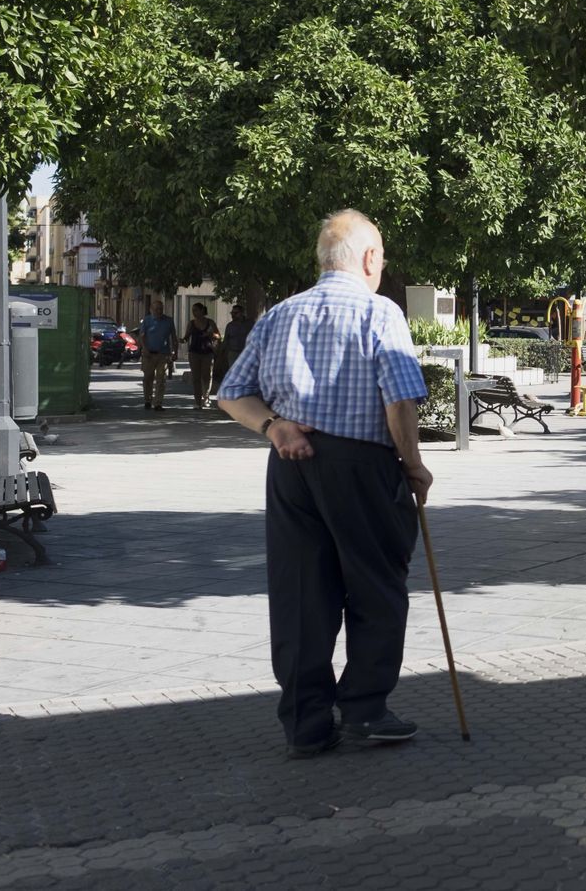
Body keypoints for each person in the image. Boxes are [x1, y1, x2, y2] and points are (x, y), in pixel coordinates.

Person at [218, 210, 432, 760]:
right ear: (367, 258)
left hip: (291, 465)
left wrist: (273, 426)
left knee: (300, 593)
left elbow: (231, 393)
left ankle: (306, 724)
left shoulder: (279, 316)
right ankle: (364, 710)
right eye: (381, 258)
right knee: (376, 587)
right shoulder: (379, 313)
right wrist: (413, 464)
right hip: (362, 466)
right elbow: (399, 401)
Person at [138, 299, 178, 411]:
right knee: (147, 378)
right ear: (151, 310)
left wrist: (175, 352)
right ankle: (147, 400)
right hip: (148, 354)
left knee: (161, 379)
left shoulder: (169, 321)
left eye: (160, 309)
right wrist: (144, 348)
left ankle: (158, 403)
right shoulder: (147, 320)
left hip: (163, 354)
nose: (159, 311)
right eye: (156, 309)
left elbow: (173, 337)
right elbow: (142, 336)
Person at [182, 302, 220, 409]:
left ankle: (206, 397)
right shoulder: (191, 323)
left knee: (206, 376)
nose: (194, 313)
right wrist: (182, 340)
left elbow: (218, 336)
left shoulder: (210, 322)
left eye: (196, 310)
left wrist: (211, 334)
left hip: (207, 352)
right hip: (194, 352)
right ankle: (198, 401)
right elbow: (186, 337)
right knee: (196, 378)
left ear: (202, 311)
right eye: (193, 310)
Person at [212, 304, 254, 396]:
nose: (233, 315)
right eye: (232, 313)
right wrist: (220, 353)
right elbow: (226, 340)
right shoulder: (230, 326)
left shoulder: (250, 324)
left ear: (242, 313)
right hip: (233, 353)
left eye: (236, 313)